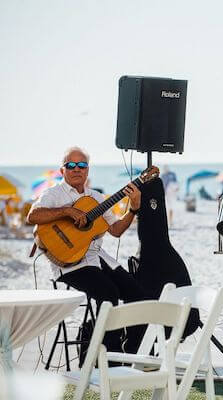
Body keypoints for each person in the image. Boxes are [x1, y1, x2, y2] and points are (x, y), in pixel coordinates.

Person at [27, 146, 149, 353]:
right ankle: (108, 356)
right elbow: (33, 217)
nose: (77, 169)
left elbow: (117, 230)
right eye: (71, 165)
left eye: (82, 165)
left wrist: (133, 209)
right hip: (69, 263)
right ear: (62, 170)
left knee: (138, 295)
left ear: (87, 170)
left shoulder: (97, 198)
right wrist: (67, 211)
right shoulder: (53, 194)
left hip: (96, 257)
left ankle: (131, 350)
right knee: (108, 294)